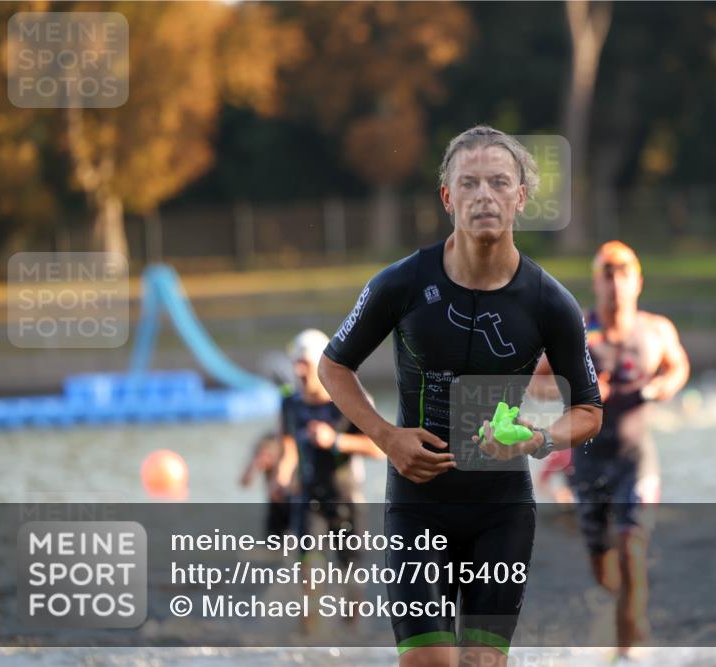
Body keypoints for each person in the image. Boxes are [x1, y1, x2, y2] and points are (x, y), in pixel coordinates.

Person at [318, 125, 603, 667]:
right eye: (469, 183)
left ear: (520, 197)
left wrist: (539, 439)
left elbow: (589, 410)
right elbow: (332, 366)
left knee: (481, 664)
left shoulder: (551, 303)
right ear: (447, 198)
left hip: (501, 510)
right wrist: (386, 437)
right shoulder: (400, 284)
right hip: (417, 506)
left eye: (499, 182)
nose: (484, 195)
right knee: (429, 663)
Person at [532, 240, 689, 660]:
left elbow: (678, 365)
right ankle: (628, 608)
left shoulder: (656, 330)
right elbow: (536, 381)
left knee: (632, 546)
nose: (615, 284)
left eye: (623, 275)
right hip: (587, 464)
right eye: (606, 275)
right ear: (595, 282)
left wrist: (663, 386)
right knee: (605, 569)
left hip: (635, 461)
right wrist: (578, 388)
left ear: (637, 281)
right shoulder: (577, 332)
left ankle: (628, 646)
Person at [275, 329, 384, 567]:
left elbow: (380, 449)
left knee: (353, 582)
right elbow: (288, 444)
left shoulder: (351, 399)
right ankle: (312, 605)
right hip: (309, 499)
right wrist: (282, 477)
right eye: (295, 365)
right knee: (310, 570)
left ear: (320, 366)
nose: (298, 372)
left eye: (304, 365)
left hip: (347, 499)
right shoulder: (290, 402)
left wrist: (335, 440)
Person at [239, 430, 291, 539]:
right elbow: (244, 483)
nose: (264, 459)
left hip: (291, 503)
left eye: (267, 455)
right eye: (261, 454)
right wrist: (253, 466)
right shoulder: (260, 455)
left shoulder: (285, 460)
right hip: (275, 507)